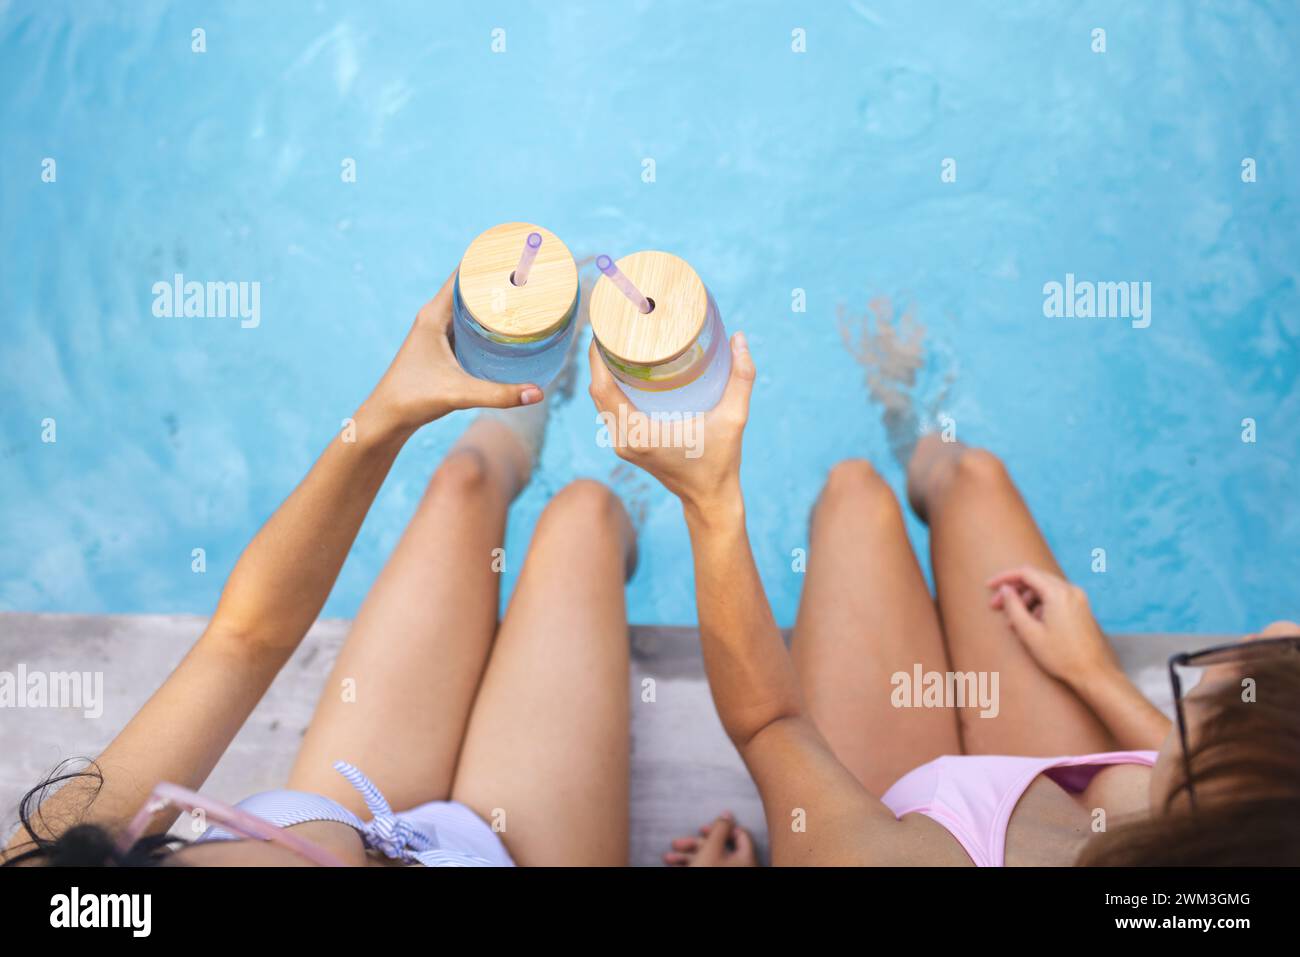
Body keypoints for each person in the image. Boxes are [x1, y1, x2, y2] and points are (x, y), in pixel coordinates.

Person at [585, 334, 1300, 867]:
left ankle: (899, 416)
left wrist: (709, 498)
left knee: (854, 496)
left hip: (905, 823)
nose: (1282, 627)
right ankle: (913, 422)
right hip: (1064, 822)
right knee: (975, 478)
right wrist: (1094, 673)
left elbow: (771, 722)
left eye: (1213, 692)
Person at [3, 276, 636, 867]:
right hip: (504, 854)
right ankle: (658, 469)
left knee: (462, 483)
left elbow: (244, 639)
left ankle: (535, 357)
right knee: (588, 517)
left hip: (352, 816)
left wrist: (387, 412)